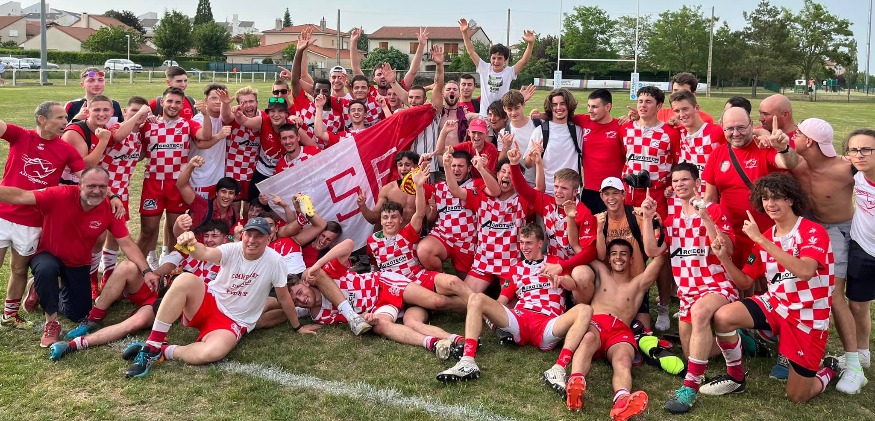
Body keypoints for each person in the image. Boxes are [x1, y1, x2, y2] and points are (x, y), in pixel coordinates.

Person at [699, 173, 838, 404]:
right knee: (723, 317)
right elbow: (745, 282)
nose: (770, 204)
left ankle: (829, 369)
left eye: (777, 197)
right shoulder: (765, 237)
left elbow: (805, 271)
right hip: (776, 304)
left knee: (798, 396)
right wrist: (723, 258)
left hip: (808, 315)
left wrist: (762, 241)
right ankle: (735, 378)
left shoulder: (812, 231)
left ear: (791, 199)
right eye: (765, 198)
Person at [124, 217, 306, 379]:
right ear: (242, 235)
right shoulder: (232, 249)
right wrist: (191, 242)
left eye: (259, 236)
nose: (252, 240)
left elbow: (283, 298)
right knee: (185, 279)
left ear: (268, 238)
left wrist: (297, 327)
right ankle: (152, 345)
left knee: (213, 352)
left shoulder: (275, 261)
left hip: (235, 321)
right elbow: (204, 253)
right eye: (249, 235)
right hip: (210, 301)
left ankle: (163, 350)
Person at [0, 167, 157, 347]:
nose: (96, 191)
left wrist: (146, 271)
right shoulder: (59, 194)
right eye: (91, 186)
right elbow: (21, 196)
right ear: (80, 185)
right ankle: (51, 323)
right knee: (46, 269)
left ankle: (41, 288)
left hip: (78, 263)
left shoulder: (111, 208)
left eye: (102, 186)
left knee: (79, 314)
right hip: (47, 255)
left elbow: (127, 243)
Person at [436, 223, 595, 387]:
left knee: (585, 309)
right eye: (522, 243)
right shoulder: (515, 269)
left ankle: (558, 368)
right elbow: (501, 301)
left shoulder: (555, 262)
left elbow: (573, 285)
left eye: (529, 243)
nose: (524, 248)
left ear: (540, 243)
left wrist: (560, 279)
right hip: (521, 319)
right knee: (476, 298)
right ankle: (467, 361)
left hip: (548, 322)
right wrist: (492, 320)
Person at [48, 220, 231, 361]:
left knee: (135, 322)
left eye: (214, 236)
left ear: (225, 239)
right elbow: (167, 264)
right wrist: (156, 275)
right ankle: (94, 318)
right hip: (159, 287)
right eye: (206, 236)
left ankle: (74, 345)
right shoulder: (190, 251)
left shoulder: (229, 263)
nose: (209, 240)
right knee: (127, 266)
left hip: (168, 304)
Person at [789, 118, 865, 393]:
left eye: (798, 133)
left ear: (809, 141)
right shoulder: (796, 164)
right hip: (809, 228)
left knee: (834, 296)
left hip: (839, 231)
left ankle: (854, 365)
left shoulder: (846, 167)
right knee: (803, 288)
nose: (793, 136)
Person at [656, 163, 740, 413]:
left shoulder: (713, 209)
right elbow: (652, 251)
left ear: (697, 183)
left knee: (700, 313)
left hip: (717, 284)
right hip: (688, 293)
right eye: (675, 181)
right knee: (691, 349)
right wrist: (647, 219)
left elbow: (727, 249)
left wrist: (706, 219)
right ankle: (738, 340)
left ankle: (690, 387)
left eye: (685, 179)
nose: (680, 184)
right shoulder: (672, 220)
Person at [0, 102, 86, 330]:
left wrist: (111, 194)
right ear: (42, 119)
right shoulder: (21, 136)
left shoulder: (66, 150)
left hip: (32, 221)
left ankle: (10, 315)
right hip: (2, 213)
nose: (65, 122)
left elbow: (86, 177)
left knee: (19, 269)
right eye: (60, 118)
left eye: (66, 117)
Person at [564, 238, 665, 417]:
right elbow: (578, 247)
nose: (618, 257)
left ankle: (622, 400)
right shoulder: (602, 272)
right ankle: (575, 383)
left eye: (623, 254)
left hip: (621, 331)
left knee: (624, 359)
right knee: (587, 339)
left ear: (631, 259)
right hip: (597, 323)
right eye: (614, 254)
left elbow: (658, 261)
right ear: (609, 259)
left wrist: (665, 237)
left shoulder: (638, 283)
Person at [703, 108, 801, 270]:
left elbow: (789, 163)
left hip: (766, 236)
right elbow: (710, 198)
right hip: (731, 237)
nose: (736, 133)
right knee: (738, 280)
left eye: (741, 127)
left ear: (752, 125)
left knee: (768, 281)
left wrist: (783, 148)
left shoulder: (764, 146)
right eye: (730, 128)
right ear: (722, 127)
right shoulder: (718, 154)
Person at [136, 87, 212, 269]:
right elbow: (136, 149)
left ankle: (168, 271)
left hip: (177, 185)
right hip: (152, 184)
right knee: (147, 231)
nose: (173, 105)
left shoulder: (187, 124)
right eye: (170, 101)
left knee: (174, 230)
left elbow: (205, 136)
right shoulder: (148, 124)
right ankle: (137, 269)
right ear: (162, 102)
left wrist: (205, 115)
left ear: (183, 105)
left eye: (178, 102)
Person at [844, 129, 875, 384]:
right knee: (857, 304)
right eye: (854, 150)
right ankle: (862, 353)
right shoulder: (856, 173)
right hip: (862, 247)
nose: (859, 155)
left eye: (866, 149)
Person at [458, 18, 534, 116]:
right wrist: (464, 33)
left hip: (502, 116)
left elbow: (524, 61)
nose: (496, 61)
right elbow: (471, 51)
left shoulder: (509, 72)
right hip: (485, 116)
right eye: (493, 58)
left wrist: (530, 44)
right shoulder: (484, 68)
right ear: (490, 58)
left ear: (505, 60)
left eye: (500, 58)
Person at [571, 89, 624, 214]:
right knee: (588, 225)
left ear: (608, 107)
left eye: (594, 107)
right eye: (588, 106)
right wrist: (539, 116)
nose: (590, 110)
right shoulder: (584, 121)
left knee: (612, 226)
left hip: (612, 191)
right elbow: (559, 116)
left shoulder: (621, 126)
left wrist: (636, 118)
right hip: (589, 191)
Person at [525, 88, 583, 194]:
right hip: (547, 191)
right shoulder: (540, 131)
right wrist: (532, 154)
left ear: (569, 105)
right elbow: (528, 164)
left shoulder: (578, 131)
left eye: (562, 103)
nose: (559, 108)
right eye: (554, 105)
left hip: (571, 193)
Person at [189, 84, 233, 200]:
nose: (218, 102)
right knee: (201, 210)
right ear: (206, 101)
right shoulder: (198, 119)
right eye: (213, 98)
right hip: (201, 178)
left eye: (221, 98)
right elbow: (200, 144)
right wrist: (219, 136)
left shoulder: (224, 118)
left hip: (218, 178)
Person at [222, 86, 261, 215]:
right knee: (233, 212)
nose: (248, 105)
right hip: (233, 172)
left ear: (257, 102)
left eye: (251, 101)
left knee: (249, 212)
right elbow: (225, 117)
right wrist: (225, 104)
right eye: (244, 102)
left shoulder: (262, 118)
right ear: (238, 105)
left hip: (253, 173)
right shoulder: (234, 116)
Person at [358, 150, 420, 226]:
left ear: (416, 166)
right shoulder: (387, 189)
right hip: (392, 232)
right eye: (400, 165)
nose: (403, 168)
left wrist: (432, 209)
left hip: (416, 232)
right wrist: (362, 206)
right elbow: (374, 218)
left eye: (407, 165)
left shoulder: (424, 189)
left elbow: (430, 221)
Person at [434, 119, 498, 179]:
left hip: (486, 184)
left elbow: (494, 178)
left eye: (480, 133)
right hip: (470, 183)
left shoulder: (491, 149)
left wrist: (483, 167)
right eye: (473, 132)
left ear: (486, 133)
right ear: (468, 132)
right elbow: (439, 151)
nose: (476, 136)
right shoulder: (466, 145)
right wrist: (444, 131)